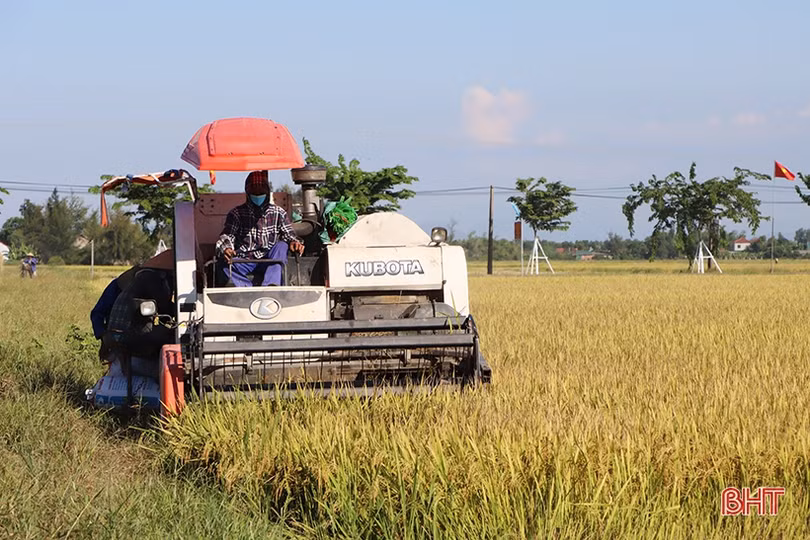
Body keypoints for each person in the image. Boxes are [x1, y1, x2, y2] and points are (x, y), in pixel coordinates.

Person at [216, 170, 305, 286]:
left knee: (282, 245)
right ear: (247, 193)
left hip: (270, 259)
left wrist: (295, 242)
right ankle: (246, 290)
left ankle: (271, 285)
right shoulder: (236, 214)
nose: (258, 196)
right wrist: (227, 248)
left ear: (267, 193)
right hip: (244, 259)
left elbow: (289, 234)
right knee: (223, 266)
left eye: (261, 192)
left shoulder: (278, 212)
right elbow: (227, 235)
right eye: (254, 193)